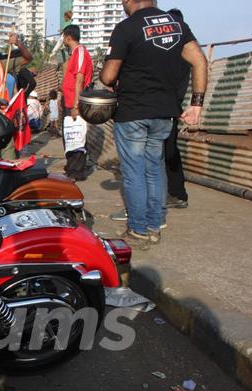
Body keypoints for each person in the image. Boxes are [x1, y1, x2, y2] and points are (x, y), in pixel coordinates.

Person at [100, 0, 207, 248]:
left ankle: (137, 231)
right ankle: (154, 226)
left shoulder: (127, 27)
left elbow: (109, 76)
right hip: (163, 114)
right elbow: (200, 61)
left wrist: (104, 72)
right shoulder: (178, 25)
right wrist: (197, 104)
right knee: (155, 168)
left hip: (133, 112)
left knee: (134, 171)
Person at [60, 24, 94, 178]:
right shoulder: (73, 54)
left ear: (68, 37)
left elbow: (79, 79)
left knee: (78, 135)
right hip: (68, 101)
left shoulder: (80, 52)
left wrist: (76, 105)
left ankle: (77, 170)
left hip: (74, 103)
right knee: (70, 135)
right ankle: (71, 166)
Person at [164, 7, 190, 209]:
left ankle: (177, 194)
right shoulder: (182, 52)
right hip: (170, 107)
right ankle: (174, 192)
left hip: (168, 108)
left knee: (169, 151)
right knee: (167, 151)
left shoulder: (180, 53)